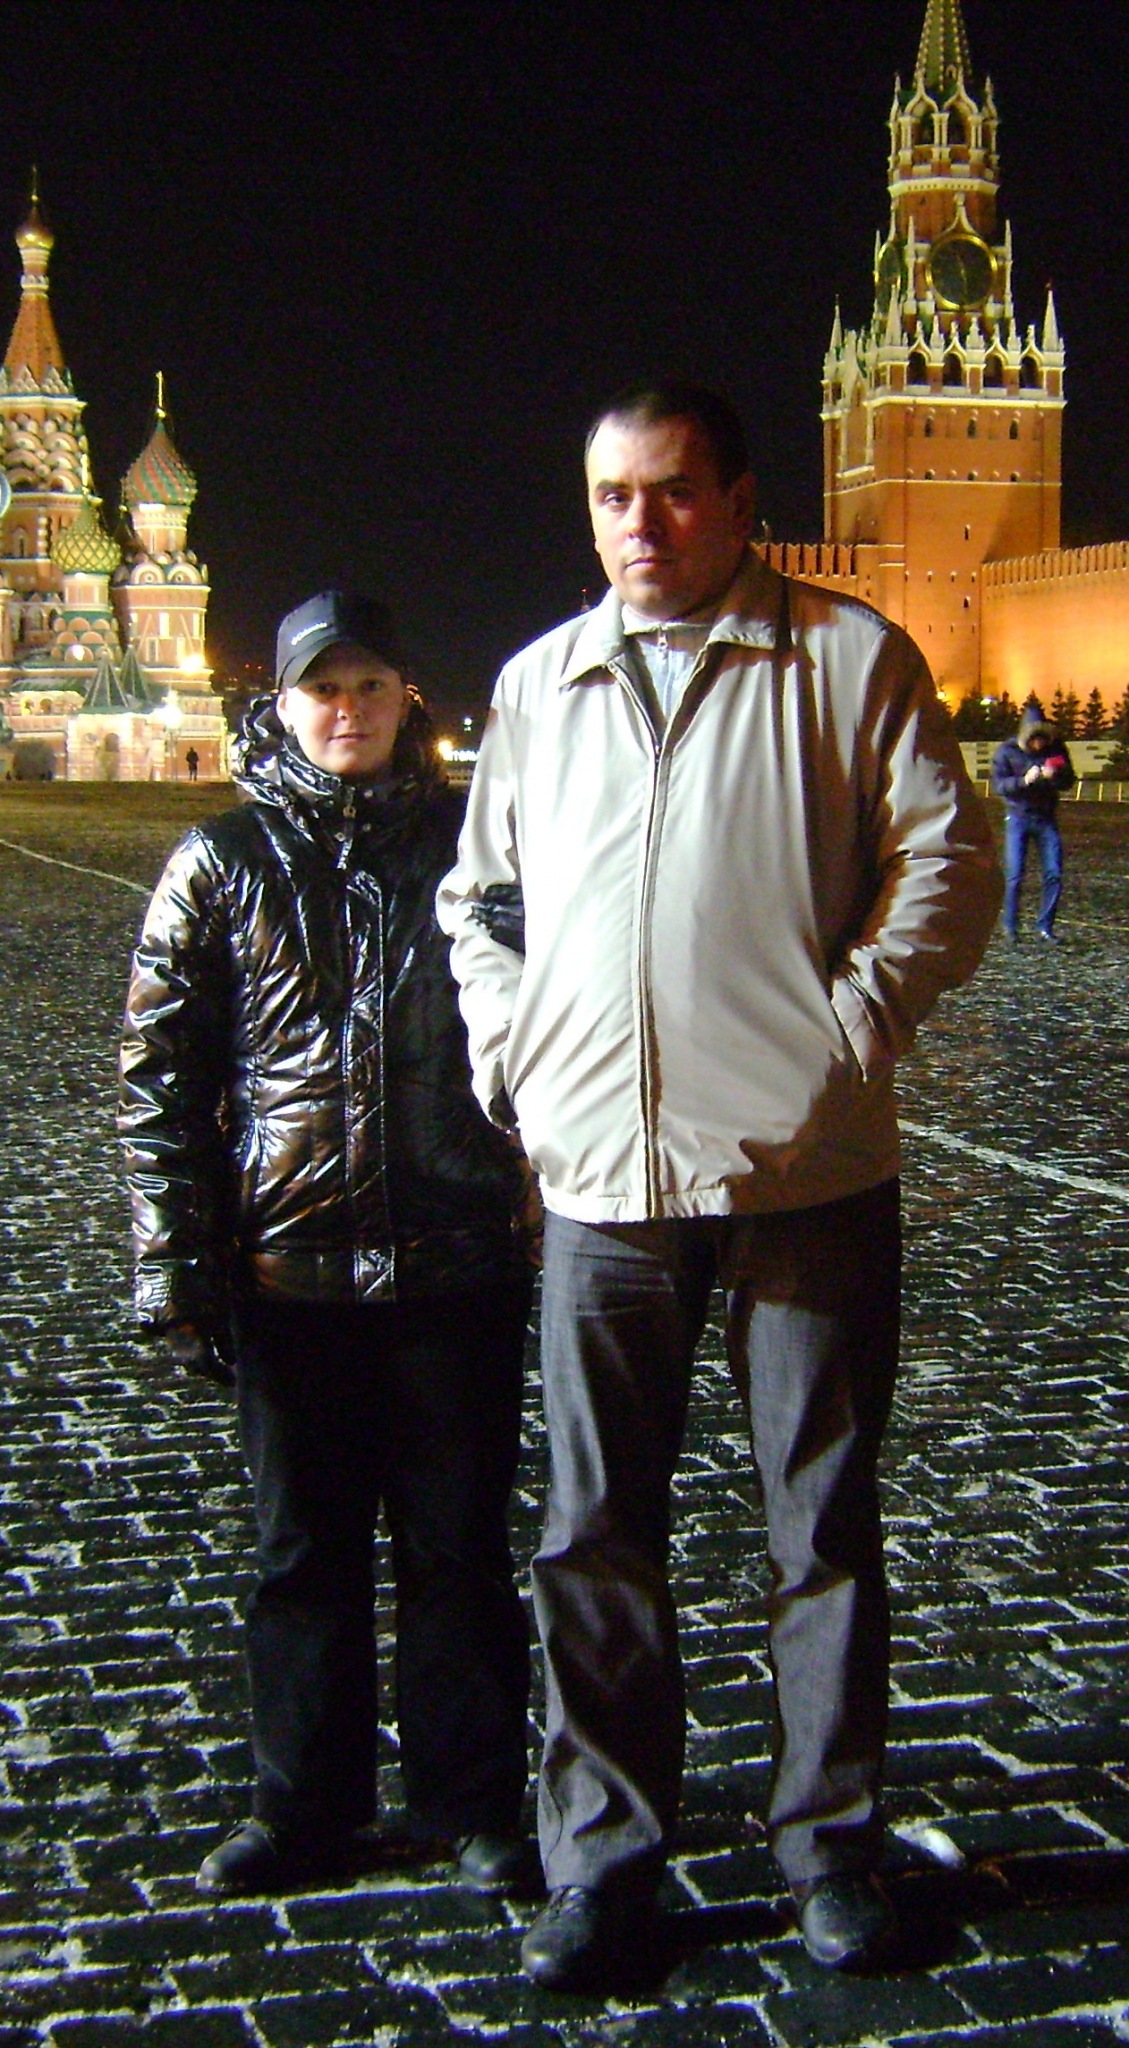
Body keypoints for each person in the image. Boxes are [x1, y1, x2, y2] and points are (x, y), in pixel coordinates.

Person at [437, 382, 1002, 1985]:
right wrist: (514, 1054)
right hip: (601, 1182)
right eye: (612, 495)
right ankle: (603, 1864)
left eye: (673, 491)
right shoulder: (540, 683)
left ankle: (830, 1851)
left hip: (804, 1170)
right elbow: (479, 901)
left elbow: (946, 857)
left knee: (819, 1523)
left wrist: (850, 1030)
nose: (640, 524)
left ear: (742, 502)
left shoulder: (842, 658)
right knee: (591, 1534)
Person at [119, 590, 534, 1897]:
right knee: (299, 1557)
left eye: (367, 685)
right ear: (282, 705)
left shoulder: (478, 848)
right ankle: (303, 1805)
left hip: (453, 1259)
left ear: (405, 697)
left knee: (458, 1551)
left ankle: (474, 1801)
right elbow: (159, 1076)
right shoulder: (219, 859)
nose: (345, 709)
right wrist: (175, 1263)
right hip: (287, 1269)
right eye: (321, 687)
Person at [991, 696, 1075, 942]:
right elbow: (998, 785)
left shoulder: (1056, 749)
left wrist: (1055, 776)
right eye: (1034, 740)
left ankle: (1045, 927)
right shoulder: (1007, 751)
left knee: (1054, 873)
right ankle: (1010, 927)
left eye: (1043, 740)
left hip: (1046, 817)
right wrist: (1023, 781)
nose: (1039, 745)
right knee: (1015, 875)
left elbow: (1069, 780)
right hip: (1017, 818)